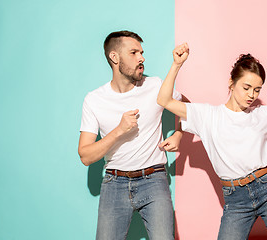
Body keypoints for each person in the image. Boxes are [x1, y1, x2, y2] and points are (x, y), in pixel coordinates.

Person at [157, 42, 267, 239]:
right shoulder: (208, 116)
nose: (252, 95)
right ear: (231, 83)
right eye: (247, 87)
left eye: (257, 90)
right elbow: (164, 100)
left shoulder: (262, 114)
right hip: (235, 200)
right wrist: (176, 64)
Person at [78, 30, 187, 240]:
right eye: (134, 53)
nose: (142, 58)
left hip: (154, 179)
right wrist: (119, 131)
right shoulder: (94, 100)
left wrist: (179, 134)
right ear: (114, 57)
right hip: (114, 183)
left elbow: (187, 107)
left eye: (142, 52)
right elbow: (86, 156)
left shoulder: (155, 85)